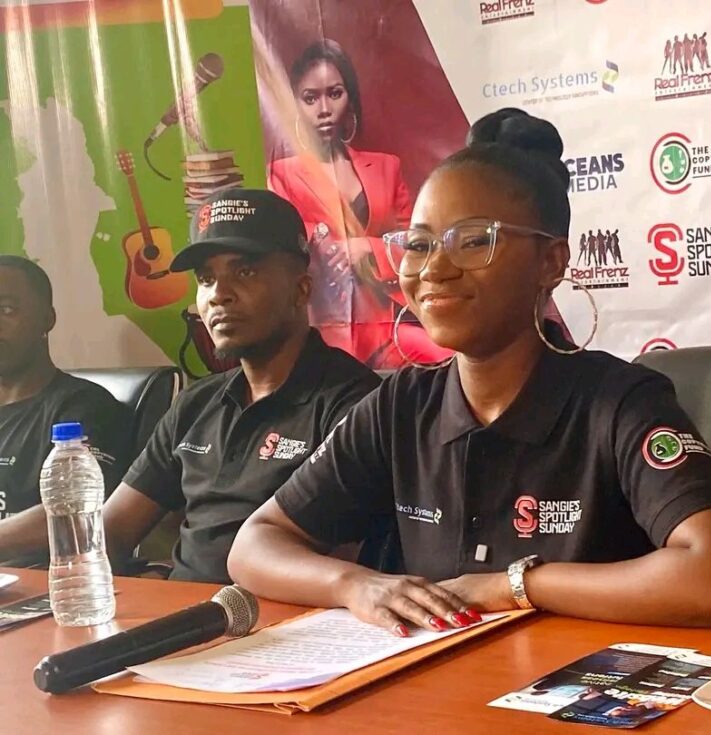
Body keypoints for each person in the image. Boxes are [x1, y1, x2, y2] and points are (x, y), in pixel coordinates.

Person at [228, 109, 711, 636]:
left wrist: (515, 586)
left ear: (550, 262)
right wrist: (355, 584)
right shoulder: (400, 406)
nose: (435, 268)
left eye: (473, 241)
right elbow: (255, 545)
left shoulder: (620, 402)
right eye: (418, 244)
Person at [4, 190, 381, 583]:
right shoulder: (197, 402)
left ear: (301, 290)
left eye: (245, 272)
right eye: (206, 279)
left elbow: (348, 560)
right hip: (181, 610)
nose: (219, 294)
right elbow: (110, 533)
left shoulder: (356, 403)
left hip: (286, 616)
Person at [267, 39, 450, 369]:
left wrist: (367, 247)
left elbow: (417, 244)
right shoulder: (280, 175)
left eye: (335, 93)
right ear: (295, 104)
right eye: (310, 98)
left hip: (386, 320)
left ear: (350, 98)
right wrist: (320, 237)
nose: (324, 109)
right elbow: (280, 245)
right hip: (320, 323)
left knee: (448, 362)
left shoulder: (385, 167)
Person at [0, 256, 132, 563]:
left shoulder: (86, 408)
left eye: (6, 310)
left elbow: (78, 507)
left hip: (45, 581)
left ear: (47, 319)